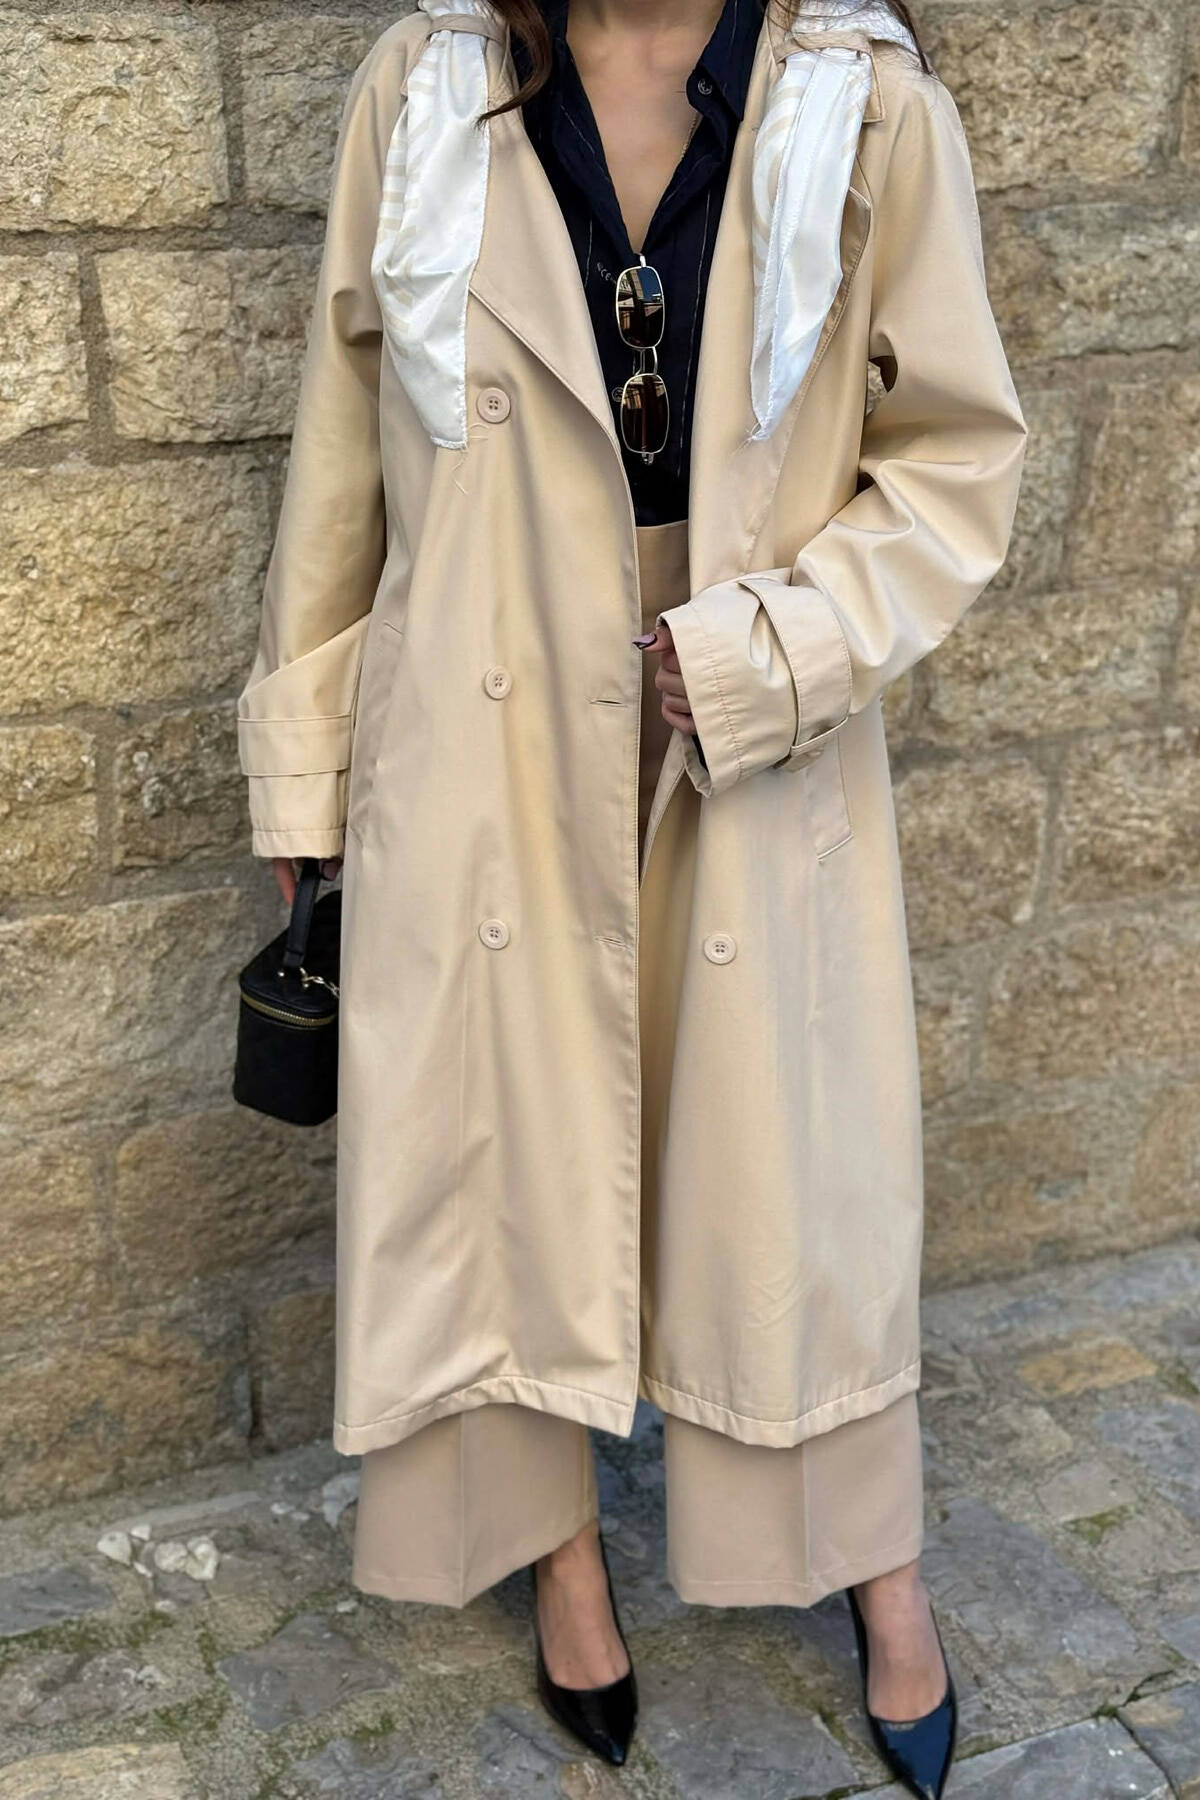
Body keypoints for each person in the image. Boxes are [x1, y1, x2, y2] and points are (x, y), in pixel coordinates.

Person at [235, 0, 1026, 1790]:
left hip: (746, 707)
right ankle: (560, 1555)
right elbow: (344, 443)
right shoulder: (425, 83)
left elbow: (957, 458)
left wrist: (775, 651)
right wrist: (306, 768)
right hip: (486, 715)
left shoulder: (866, 104)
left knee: (792, 1180)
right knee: (502, 1159)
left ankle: (877, 1567)